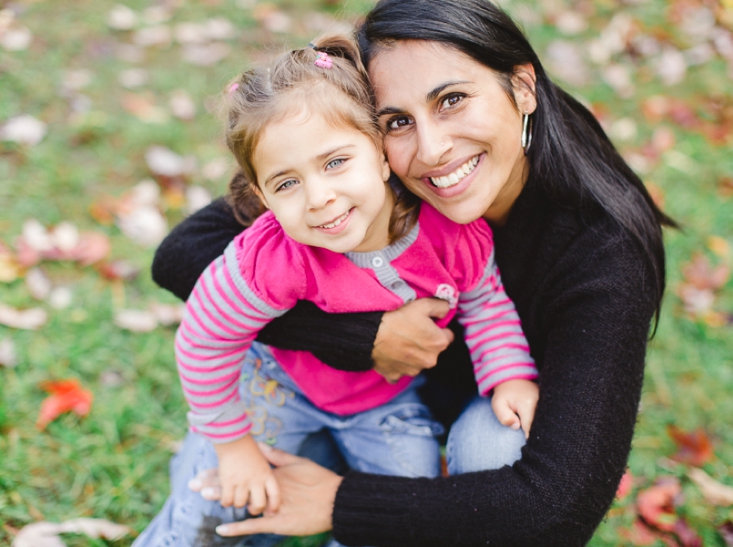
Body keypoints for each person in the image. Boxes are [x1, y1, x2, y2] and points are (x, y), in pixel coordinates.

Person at [148, 0, 676, 545]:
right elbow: (184, 254)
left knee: (499, 444)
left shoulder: (604, 254)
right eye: (397, 121)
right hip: (317, 390)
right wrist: (363, 337)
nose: (431, 149)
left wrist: (338, 503)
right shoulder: (343, 191)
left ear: (523, 86)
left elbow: (556, 506)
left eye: (452, 99)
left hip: (418, 417)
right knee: (222, 507)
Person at [136, 33, 539, 547]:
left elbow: (485, 305)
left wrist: (510, 376)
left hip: (385, 405)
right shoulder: (271, 257)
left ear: (382, 153)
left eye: (335, 163)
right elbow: (205, 339)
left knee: (401, 513)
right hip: (278, 391)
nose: (320, 198)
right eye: (286, 183)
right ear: (261, 195)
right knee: (215, 500)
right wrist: (234, 445)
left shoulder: (451, 233)